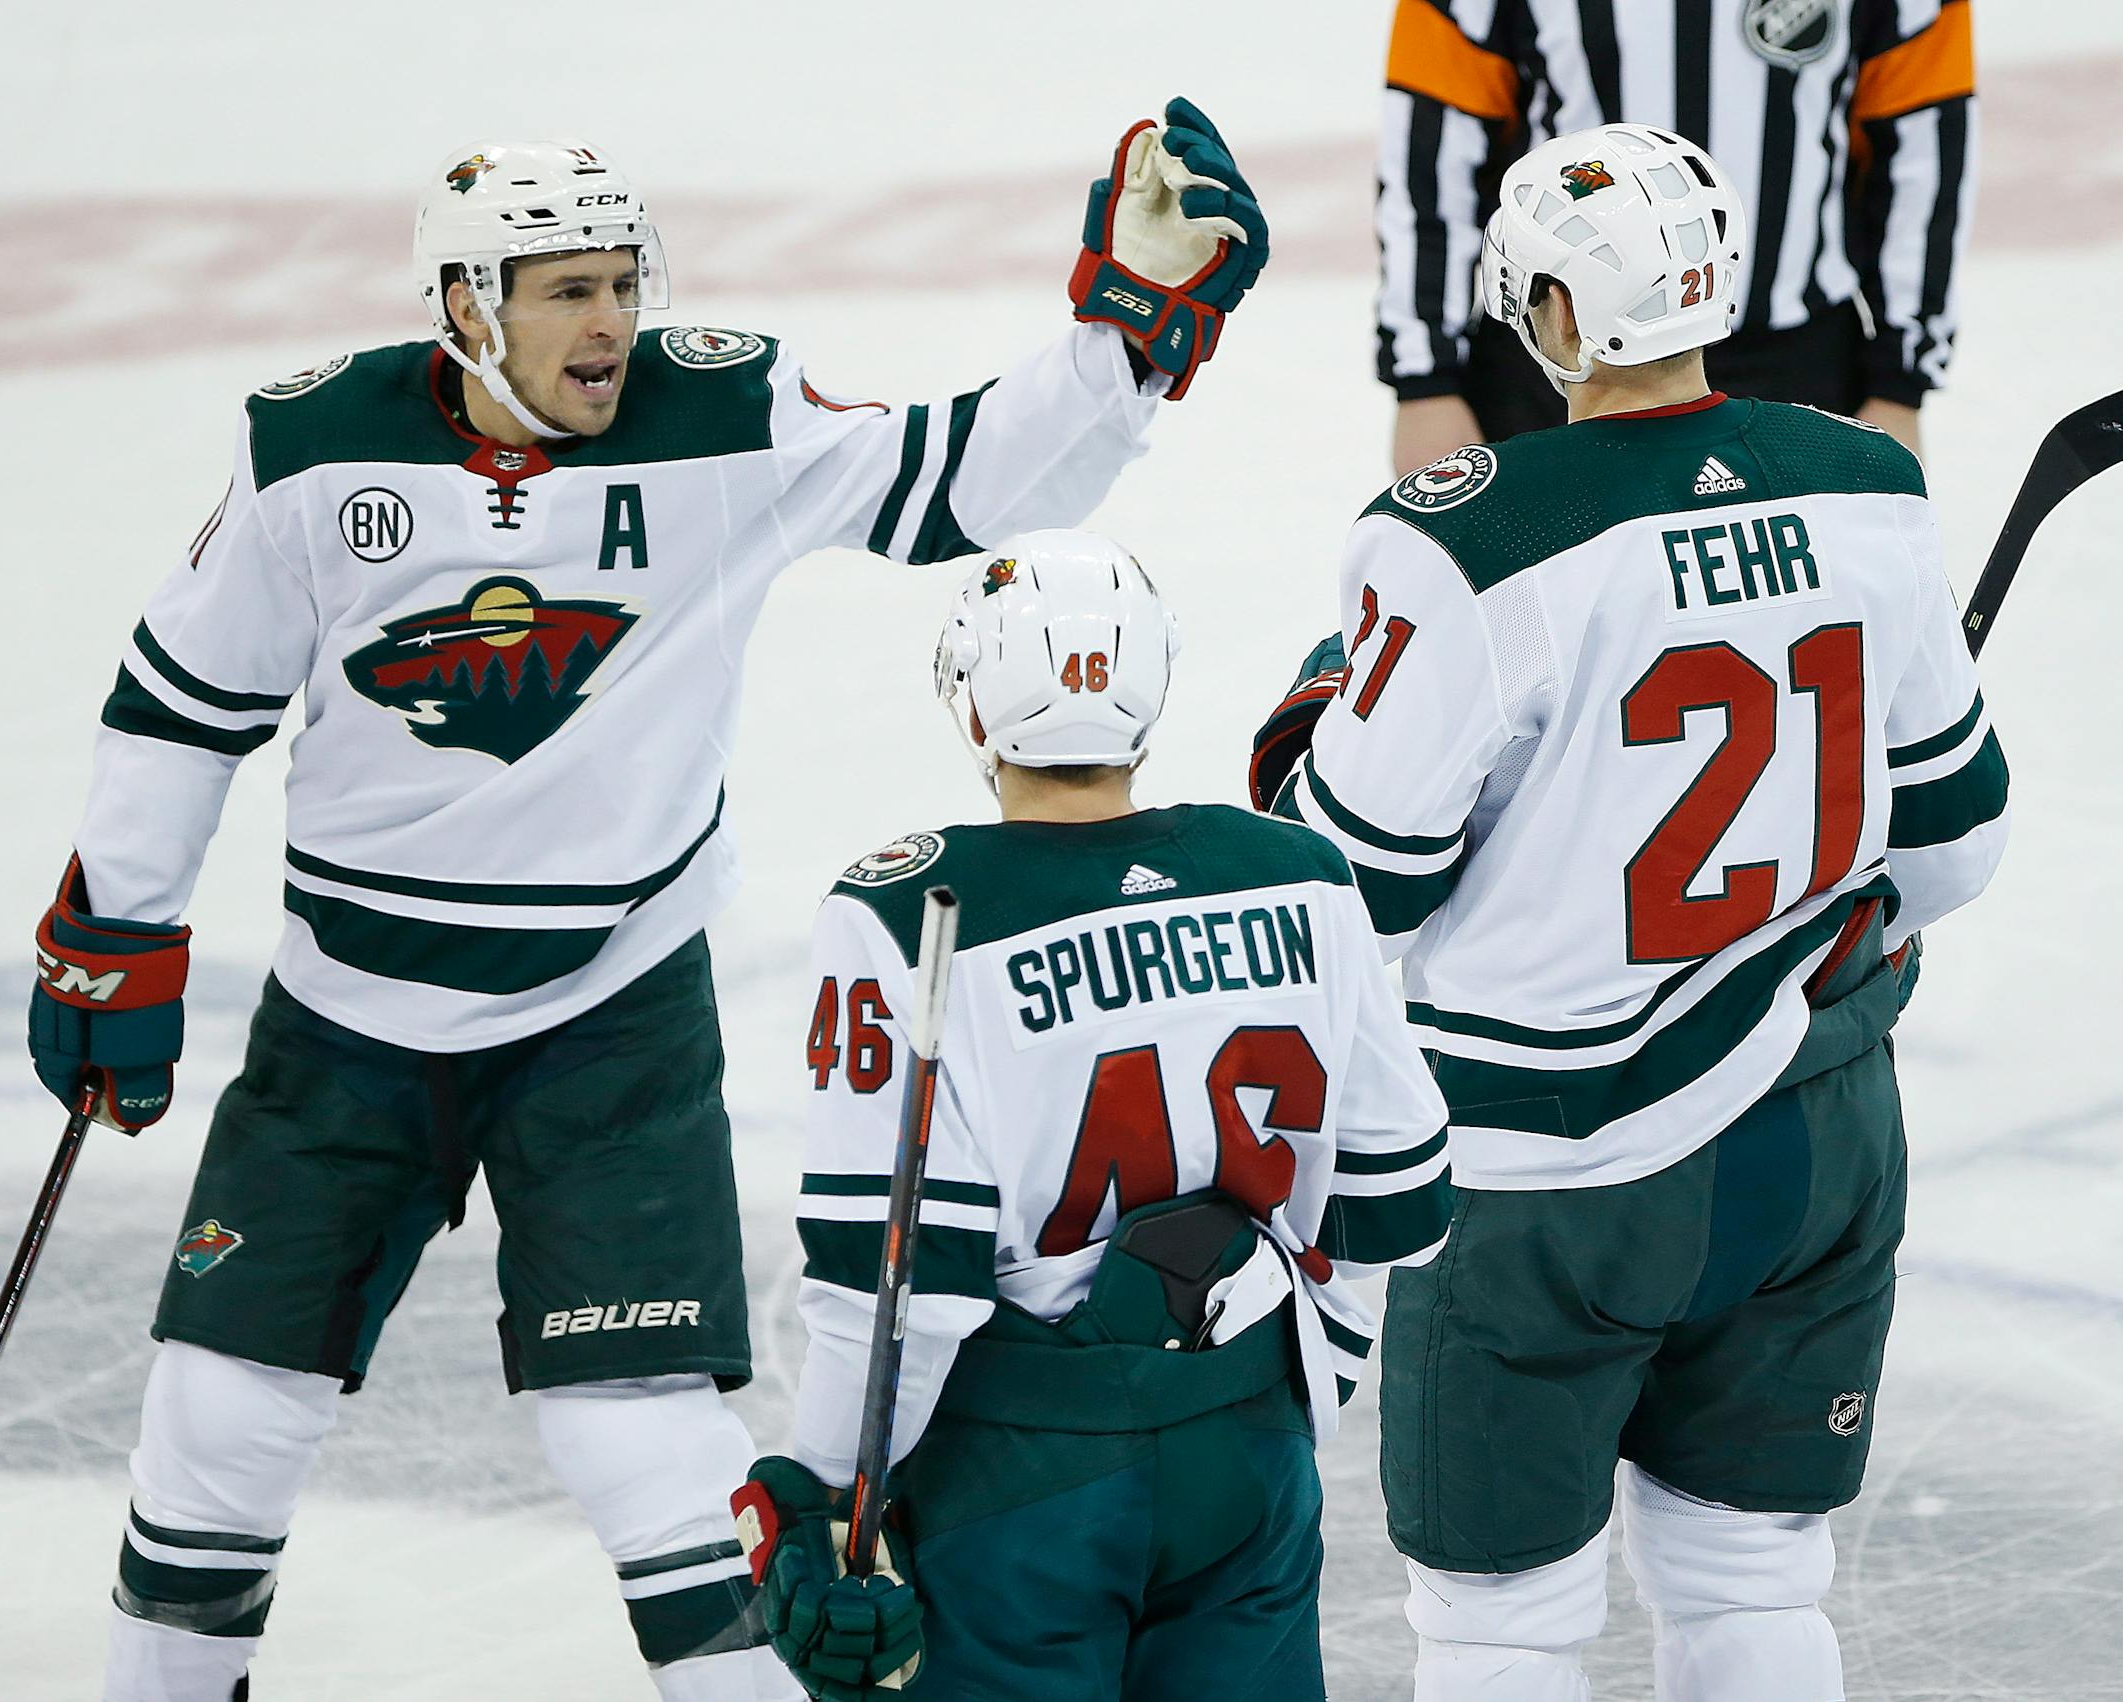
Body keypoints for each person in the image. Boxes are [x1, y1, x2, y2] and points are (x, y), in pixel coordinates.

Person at [25, 106, 1269, 1702]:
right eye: (566, 291)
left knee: (646, 1441)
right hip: (345, 1024)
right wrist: (118, 932)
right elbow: (183, 703)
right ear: (466, 306)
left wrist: (1125, 342)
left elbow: (956, 477)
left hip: (610, 1021)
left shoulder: (721, 411)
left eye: (622, 281)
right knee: (218, 1415)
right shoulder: (315, 449)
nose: (611, 321)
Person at [1254, 125, 2007, 1699]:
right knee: (1755, 1582)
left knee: (1503, 1622)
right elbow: (1955, 845)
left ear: (1554, 309)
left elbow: (1353, 887)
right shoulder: (1868, 483)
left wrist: (1311, 739)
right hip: (1817, 1143)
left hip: (1547, 1178)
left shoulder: (1465, 530)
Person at [729, 532, 1455, 1702]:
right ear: (1151, 682)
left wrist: (822, 1497)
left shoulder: (906, 909)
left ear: (973, 700)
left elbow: (895, 1289)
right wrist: (1295, 1381)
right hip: (1250, 1448)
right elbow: (1401, 1195)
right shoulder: (1298, 871)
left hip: (1022, 1481)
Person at [1376, 0, 1977, 470]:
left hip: (1790, 366)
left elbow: (1924, 152)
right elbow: (1432, 153)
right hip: (1561, 358)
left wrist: (1900, 383)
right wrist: (1426, 379)